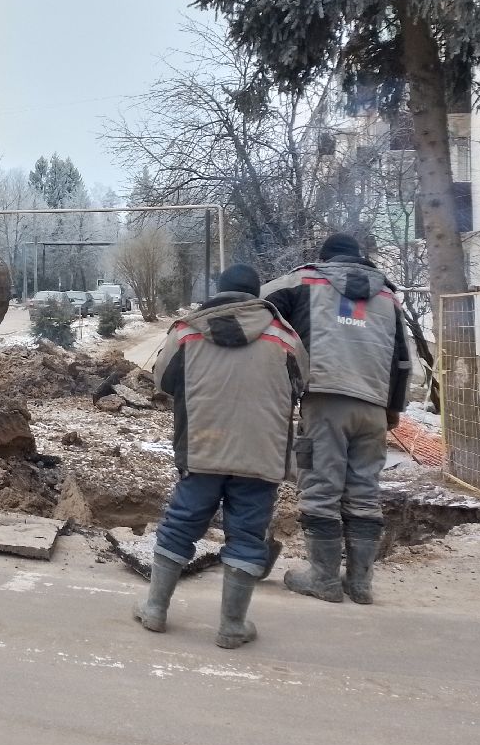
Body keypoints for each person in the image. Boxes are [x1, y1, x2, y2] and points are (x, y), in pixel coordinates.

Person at [138, 264, 307, 649]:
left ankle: (154, 609)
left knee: (181, 523)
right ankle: (232, 626)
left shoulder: (186, 332)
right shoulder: (284, 336)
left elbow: (163, 381)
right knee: (248, 534)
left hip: (202, 446)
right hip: (260, 453)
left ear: (219, 291)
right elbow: (302, 383)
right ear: (256, 294)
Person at [262, 233, 412, 605]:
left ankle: (324, 578)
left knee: (320, 488)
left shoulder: (303, 282)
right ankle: (360, 584)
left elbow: (257, 303)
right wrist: (392, 408)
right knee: (364, 491)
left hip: (325, 400)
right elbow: (403, 359)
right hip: (374, 407)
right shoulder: (388, 296)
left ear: (325, 257)